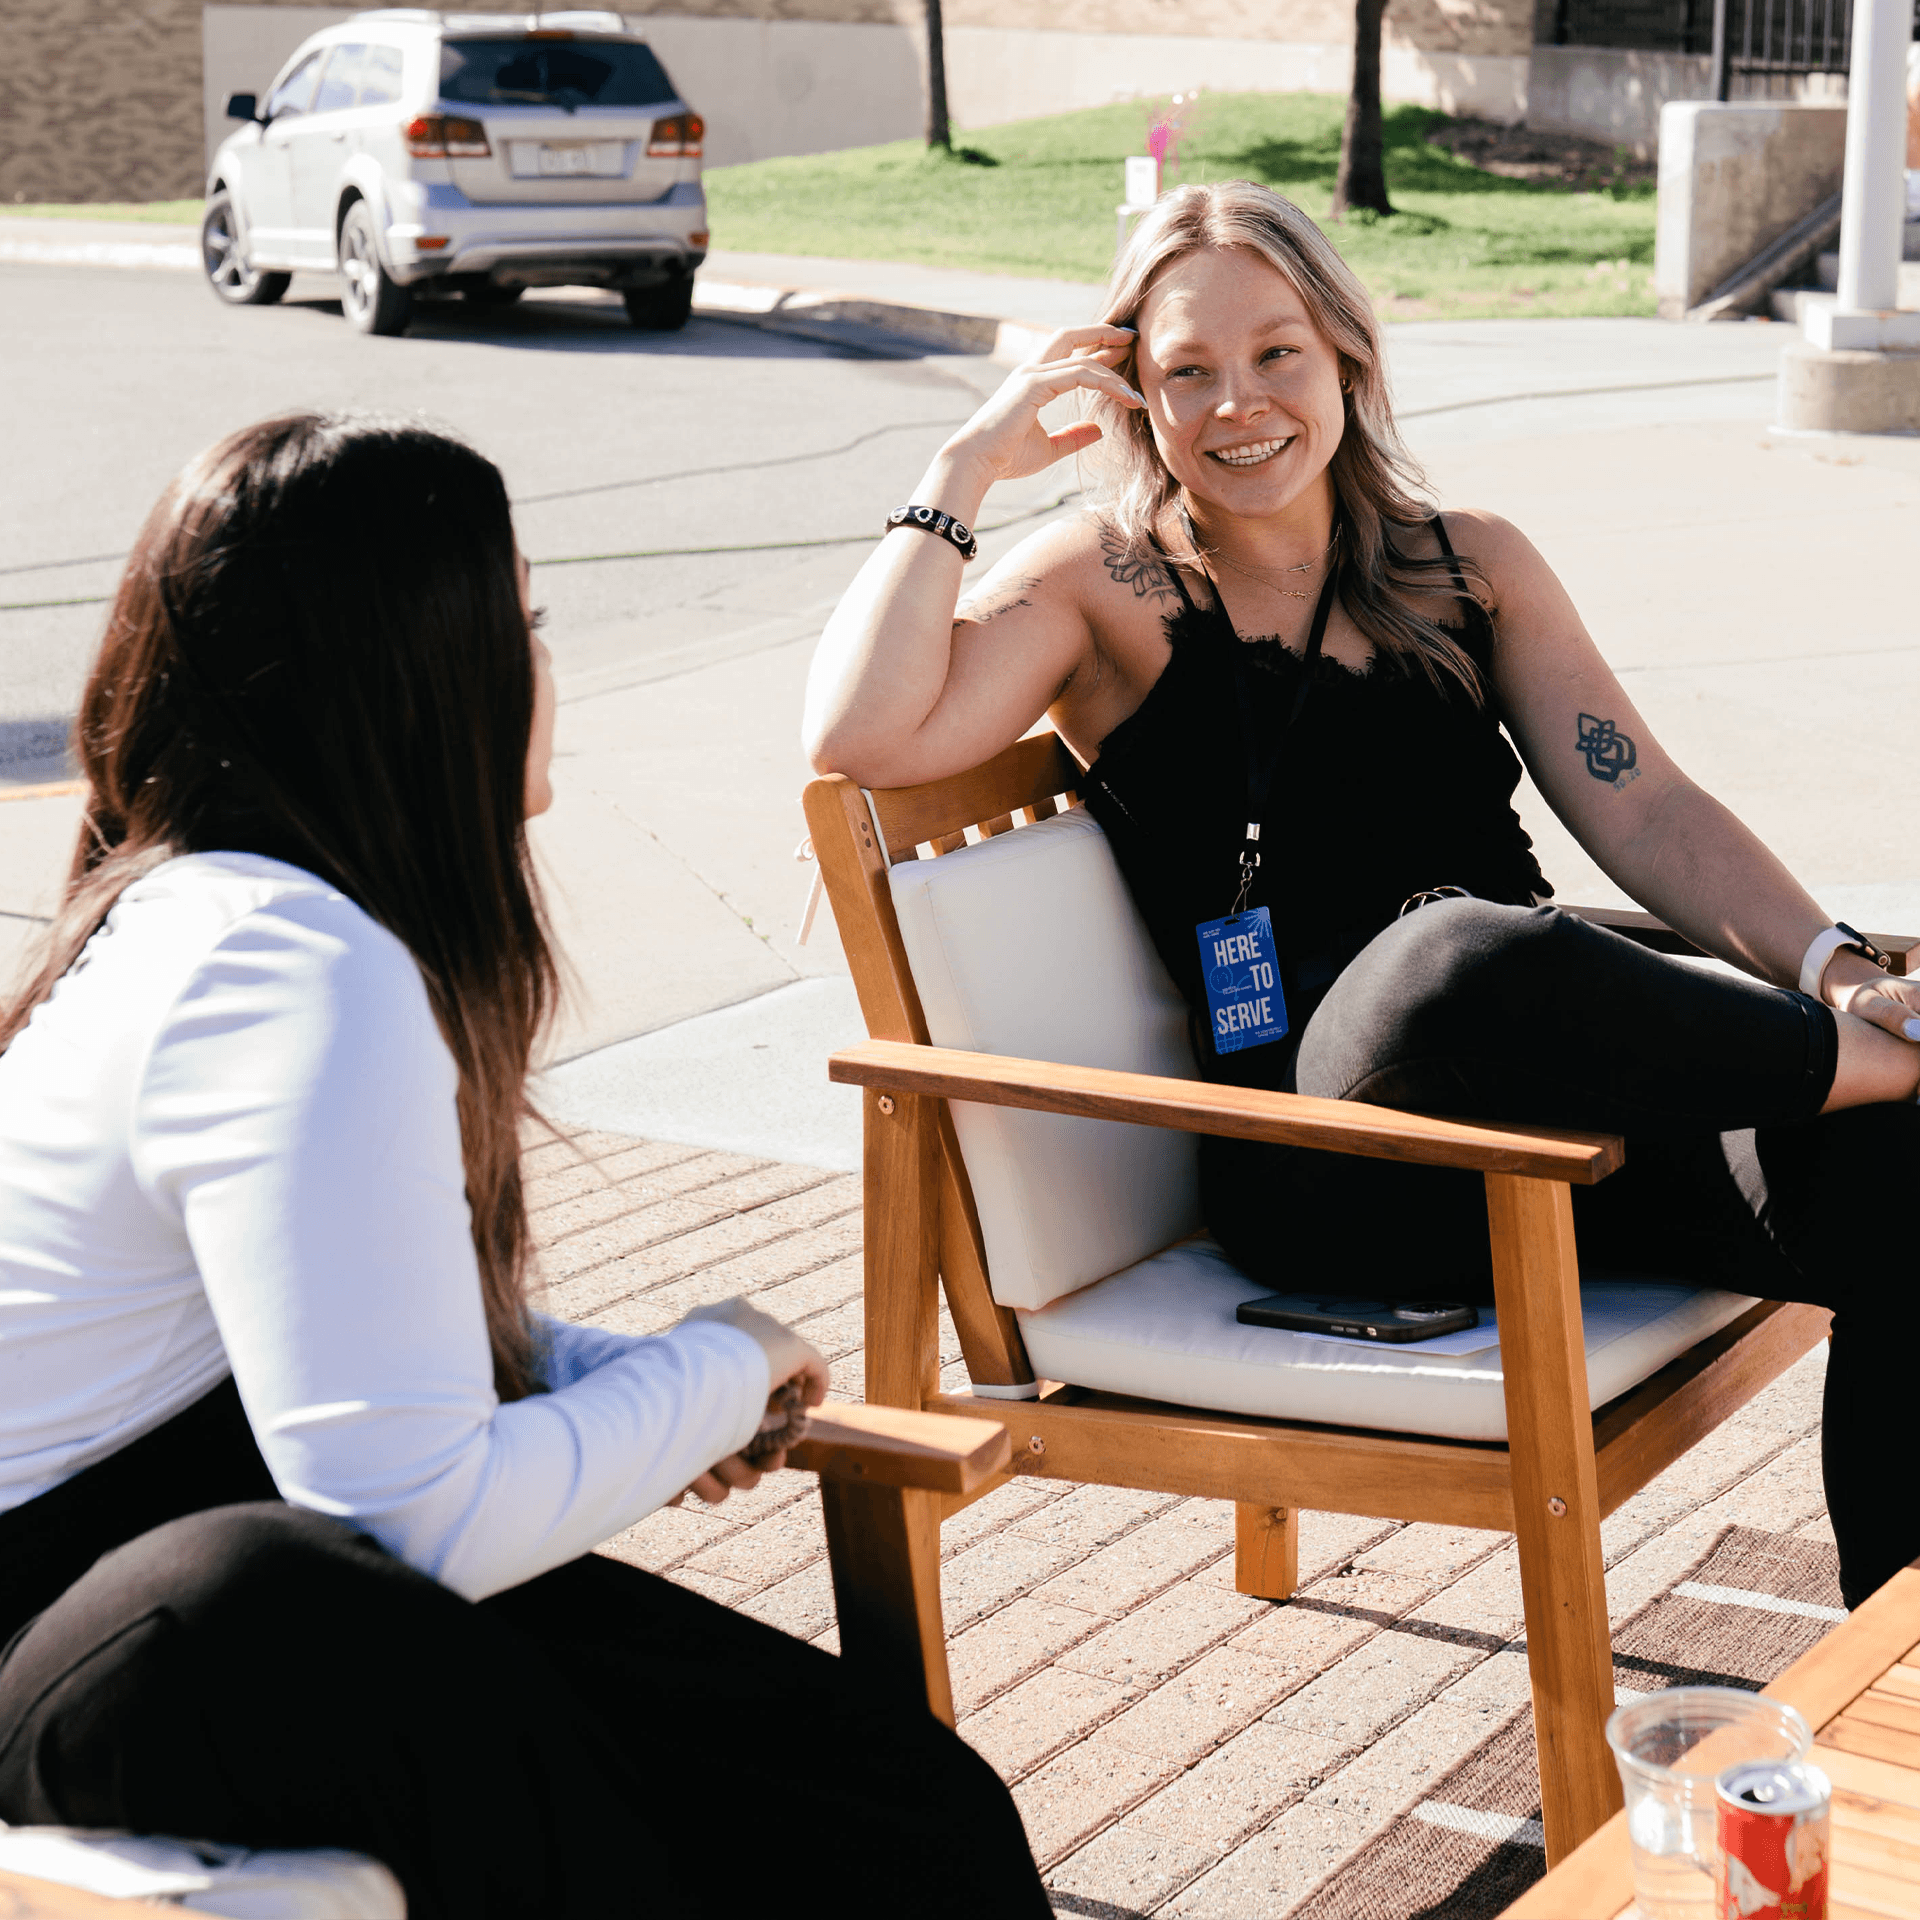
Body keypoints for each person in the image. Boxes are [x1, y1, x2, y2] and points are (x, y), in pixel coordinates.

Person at [803, 181, 1920, 1610]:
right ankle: (1885, 1065)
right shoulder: (1111, 588)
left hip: (1568, 1137)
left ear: (1348, 356)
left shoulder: (1472, 570)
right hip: (1334, 1162)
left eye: (1276, 353)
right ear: (1133, 394)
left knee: (1900, 1183)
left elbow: (1645, 800)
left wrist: (1830, 963)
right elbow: (859, 737)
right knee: (1457, 953)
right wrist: (966, 462)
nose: (1237, 402)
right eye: (1186, 369)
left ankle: (1896, 1684)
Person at [0, 413, 1050, 1919]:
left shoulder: (222, 912)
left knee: (880, 1803)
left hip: (194, 1569)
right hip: (126, 1632)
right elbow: (410, 1513)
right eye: (525, 624)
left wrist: (645, 1381)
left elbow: (367, 1336)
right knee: (853, 1834)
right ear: (421, 677)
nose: (542, 665)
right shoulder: (286, 961)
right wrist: (710, 1363)